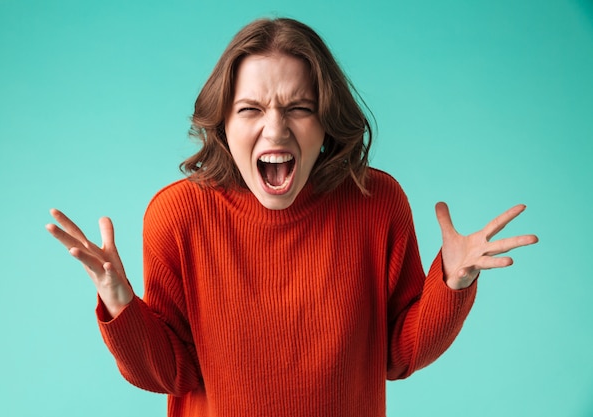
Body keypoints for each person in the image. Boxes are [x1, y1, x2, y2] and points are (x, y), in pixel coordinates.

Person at [46, 17, 538, 417]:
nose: (275, 128)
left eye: (299, 107)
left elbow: (397, 354)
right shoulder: (178, 215)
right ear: (223, 124)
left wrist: (452, 282)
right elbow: (171, 374)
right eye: (250, 109)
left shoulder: (376, 201)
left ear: (325, 122)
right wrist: (118, 302)